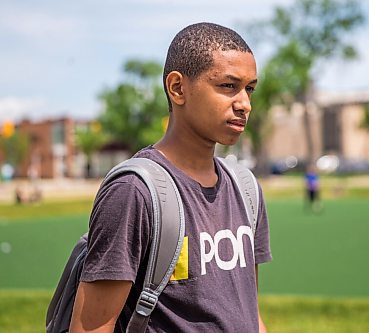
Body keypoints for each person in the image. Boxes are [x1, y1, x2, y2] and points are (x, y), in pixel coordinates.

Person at [69, 22, 272, 333]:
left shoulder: (245, 189)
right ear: (178, 88)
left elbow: (249, 311)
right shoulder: (134, 191)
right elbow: (92, 327)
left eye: (250, 88)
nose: (245, 103)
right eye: (229, 86)